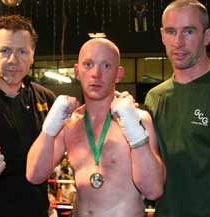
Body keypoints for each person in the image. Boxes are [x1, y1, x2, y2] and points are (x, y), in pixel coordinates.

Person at [27, 38, 166, 217]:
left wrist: (134, 132)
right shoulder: (69, 123)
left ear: (119, 73)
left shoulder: (138, 120)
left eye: (106, 66)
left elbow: (153, 191)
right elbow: (34, 175)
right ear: (77, 71)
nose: (96, 74)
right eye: (88, 64)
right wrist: (49, 127)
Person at [144, 0, 210, 216]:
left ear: (208, 35)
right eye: (171, 31)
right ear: (162, 35)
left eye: (189, 31)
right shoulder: (155, 97)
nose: (178, 42)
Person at [0, 15, 56, 217]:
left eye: (22, 51)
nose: (13, 60)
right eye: (4, 51)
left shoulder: (46, 99)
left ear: (32, 55)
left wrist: (109, 104)